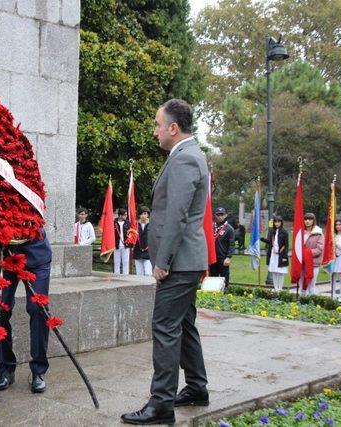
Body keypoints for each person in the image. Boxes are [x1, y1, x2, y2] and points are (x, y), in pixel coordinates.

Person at [121, 99, 209, 426]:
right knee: (183, 324)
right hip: (186, 261)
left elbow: (177, 215)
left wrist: (163, 260)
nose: (155, 131)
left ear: (173, 128)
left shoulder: (185, 158)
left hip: (179, 261)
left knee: (165, 327)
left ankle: (160, 404)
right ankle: (197, 388)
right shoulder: (185, 155)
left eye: (158, 125)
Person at [0, 231, 53, 394]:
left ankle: (39, 370)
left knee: (38, 309)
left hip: (35, 254)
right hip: (1, 254)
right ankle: (5, 369)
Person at [260, 215, 289, 292]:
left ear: (281, 222)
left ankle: (280, 288)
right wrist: (262, 239)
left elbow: (286, 245)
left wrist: (284, 256)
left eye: (278, 222)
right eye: (275, 222)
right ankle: (276, 288)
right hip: (273, 254)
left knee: (280, 272)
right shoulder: (273, 232)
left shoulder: (284, 232)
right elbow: (271, 243)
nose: (277, 223)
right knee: (274, 272)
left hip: (281, 254)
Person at [209, 207, 234, 289]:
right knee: (212, 279)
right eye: (218, 215)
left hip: (223, 258)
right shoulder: (211, 227)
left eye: (221, 215)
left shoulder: (229, 228)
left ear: (225, 215)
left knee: (224, 280)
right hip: (213, 258)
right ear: (215, 215)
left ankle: (225, 295)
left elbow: (231, 244)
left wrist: (228, 257)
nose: (219, 217)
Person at [299, 212, 324, 296]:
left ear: (313, 221)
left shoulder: (319, 233)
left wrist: (307, 253)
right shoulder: (300, 232)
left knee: (311, 285)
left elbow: (319, 249)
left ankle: (311, 303)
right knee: (301, 284)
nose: (307, 221)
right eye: (305, 219)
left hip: (313, 263)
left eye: (310, 219)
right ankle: (301, 302)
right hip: (302, 262)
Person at [133, 206, 152, 276]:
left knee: (148, 272)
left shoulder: (152, 224)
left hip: (148, 252)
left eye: (145, 213)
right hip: (138, 251)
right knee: (139, 274)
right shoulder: (135, 225)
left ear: (148, 214)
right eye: (141, 214)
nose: (143, 216)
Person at [332, 219, 341, 303]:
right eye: (336, 224)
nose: (338, 226)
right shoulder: (332, 235)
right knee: (333, 276)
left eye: (339, 224)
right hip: (333, 257)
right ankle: (333, 294)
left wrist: (336, 243)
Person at [113, 207, 132, 274]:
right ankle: (116, 276)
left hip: (125, 245)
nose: (126, 216)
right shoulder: (114, 222)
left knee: (126, 262)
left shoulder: (128, 223)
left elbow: (131, 233)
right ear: (120, 215)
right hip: (116, 245)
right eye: (125, 215)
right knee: (116, 262)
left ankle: (125, 276)